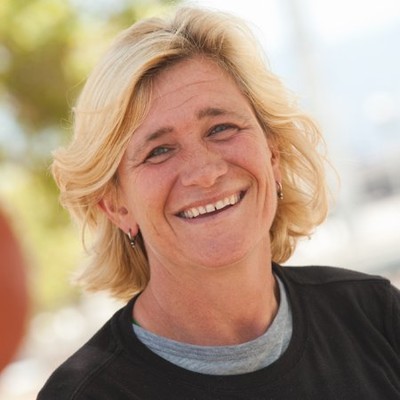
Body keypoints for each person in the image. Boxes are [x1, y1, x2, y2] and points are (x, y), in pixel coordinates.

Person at [37, 6, 400, 399]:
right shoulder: (86, 394)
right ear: (116, 206)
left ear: (272, 153)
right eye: (159, 150)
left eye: (221, 128)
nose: (205, 172)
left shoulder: (373, 314)